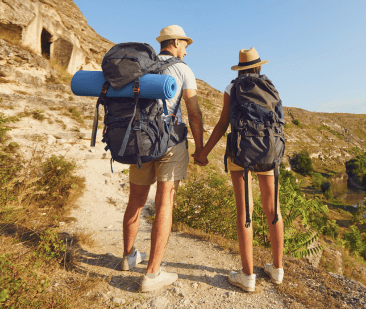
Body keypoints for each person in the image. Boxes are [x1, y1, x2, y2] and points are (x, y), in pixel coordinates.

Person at [121, 25, 207, 292]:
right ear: (177, 42)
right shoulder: (183, 69)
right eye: (186, 45)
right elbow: (193, 113)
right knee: (164, 202)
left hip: (140, 140)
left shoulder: (141, 65)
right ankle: (152, 274)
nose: (186, 50)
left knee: (135, 199)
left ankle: (128, 257)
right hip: (169, 141)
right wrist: (200, 149)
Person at [193, 47, 284, 293]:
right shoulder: (271, 87)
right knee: (273, 208)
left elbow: (223, 124)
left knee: (246, 211)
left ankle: (247, 275)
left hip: (241, 152)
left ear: (240, 67)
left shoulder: (232, 88)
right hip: (268, 150)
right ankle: (277, 270)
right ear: (259, 66)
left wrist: (203, 152)